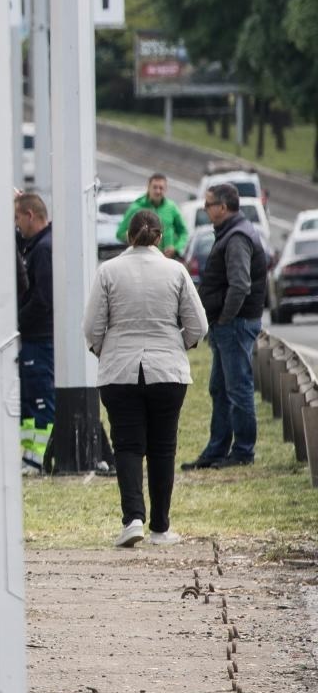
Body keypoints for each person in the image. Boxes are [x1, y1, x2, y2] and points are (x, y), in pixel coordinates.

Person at [83, 209, 209, 546]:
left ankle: (133, 520)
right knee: (163, 448)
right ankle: (161, 527)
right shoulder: (176, 271)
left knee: (126, 445)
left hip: (119, 370)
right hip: (168, 370)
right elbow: (199, 324)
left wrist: (103, 349)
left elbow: (92, 327)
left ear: (128, 235)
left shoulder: (108, 272)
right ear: (160, 237)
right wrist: (176, 344)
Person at [183, 183, 266, 469]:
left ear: (223, 207)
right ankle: (217, 449)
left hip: (235, 324)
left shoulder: (237, 238)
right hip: (228, 325)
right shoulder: (231, 233)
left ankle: (243, 451)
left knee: (238, 388)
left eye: (208, 204)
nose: (205, 210)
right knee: (220, 388)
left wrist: (226, 317)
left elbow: (240, 284)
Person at [13, 193, 56, 471]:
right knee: (29, 399)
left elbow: (42, 298)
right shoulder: (35, 245)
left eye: (17, 218)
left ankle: (39, 456)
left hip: (39, 338)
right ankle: (30, 454)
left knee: (40, 398)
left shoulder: (42, 250)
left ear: (30, 216)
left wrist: (14, 321)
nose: (16, 224)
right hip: (33, 338)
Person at [116, 174, 190, 260]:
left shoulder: (172, 207)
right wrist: (138, 238)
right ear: (148, 187)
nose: (158, 191)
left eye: (161, 188)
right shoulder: (136, 207)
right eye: (155, 187)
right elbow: (120, 233)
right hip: (141, 259)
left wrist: (176, 248)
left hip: (166, 259)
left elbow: (184, 232)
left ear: (166, 189)